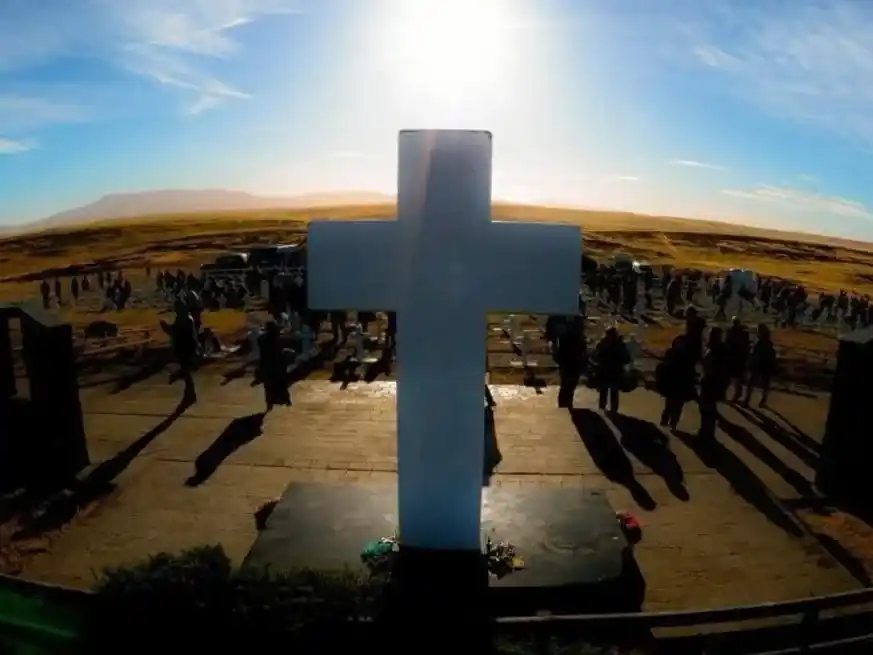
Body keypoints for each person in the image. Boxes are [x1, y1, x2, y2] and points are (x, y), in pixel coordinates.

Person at [657, 334, 698, 430]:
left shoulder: (674, 354)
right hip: (677, 384)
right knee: (673, 405)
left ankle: (670, 422)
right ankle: (670, 422)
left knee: (673, 405)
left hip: (676, 384)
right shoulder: (682, 355)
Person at [698, 327, 730, 440]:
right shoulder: (721, 349)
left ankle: (707, 433)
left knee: (707, 409)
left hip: (710, 383)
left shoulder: (715, 351)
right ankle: (707, 432)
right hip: (714, 383)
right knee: (708, 408)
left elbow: (710, 367)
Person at [592, 326, 630, 413]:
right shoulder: (620, 345)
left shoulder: (603, 344)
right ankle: (613, 412)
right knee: (613, 393)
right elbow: (627, 358)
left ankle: (603, 410)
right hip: (615, 371)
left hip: (605, 371)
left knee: (604, 392)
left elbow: (596, 356)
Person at [258, 321, 291, 412]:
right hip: (276, 365)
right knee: (281, 383)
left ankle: (270, 404)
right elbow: (279, 352)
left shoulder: (262, 339)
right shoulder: (277, 340)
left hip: (268, 365)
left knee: (269, 386)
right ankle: (286, 400)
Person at [556, 315, 587, 408]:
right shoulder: (578, 339)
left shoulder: (564, 338)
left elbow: (560, 352)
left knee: (565, 384)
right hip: (573, 364)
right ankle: (567, 402)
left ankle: (563, 403)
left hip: (567, 364)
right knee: (570, 385)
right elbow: (582, 350)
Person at [743, 323, 777, 407]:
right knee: (764, 384)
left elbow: (754, 354)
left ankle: (747, 400)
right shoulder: (767, 343)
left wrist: (749, 362)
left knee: (751, 383)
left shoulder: (760, 343)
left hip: (759, 364)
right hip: (765, 365)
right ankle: (762, 400)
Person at [171, 309, 200, 404]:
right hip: (186, 347)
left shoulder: (183, 319)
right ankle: (189, 392)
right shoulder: (187, 318)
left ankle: (190, 393)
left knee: (186, 371)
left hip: (185, 347)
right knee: (186, 371)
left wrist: (165, 327)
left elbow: (174, 332)